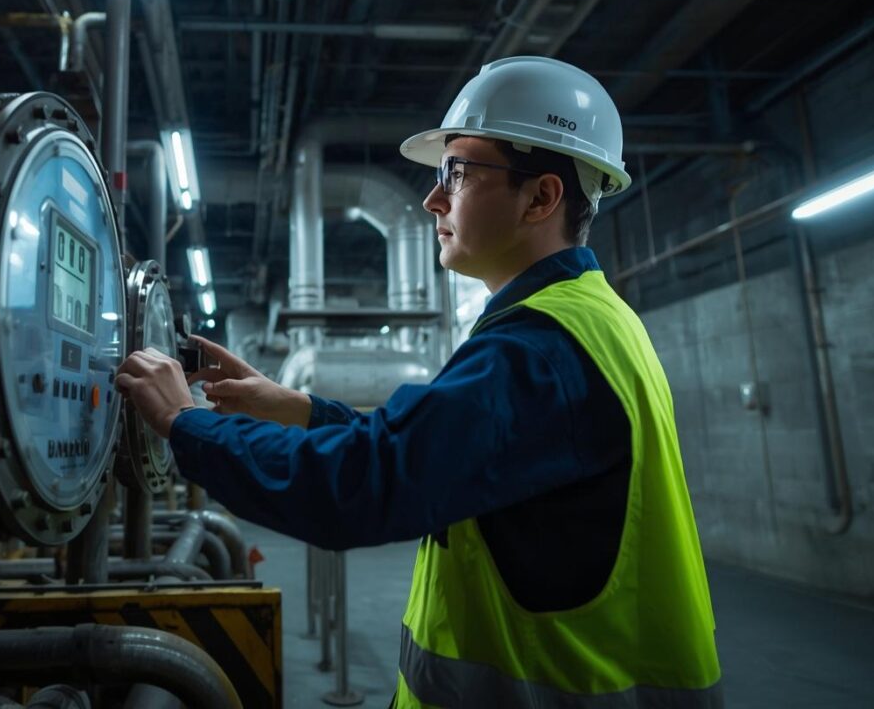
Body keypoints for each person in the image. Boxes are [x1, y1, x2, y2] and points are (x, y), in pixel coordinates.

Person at [115, 57, 722, 708]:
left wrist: (185, 423)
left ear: (541, 198)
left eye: (457, 173)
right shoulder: (587, 320)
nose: (433, 199)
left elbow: (365, 484)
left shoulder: (541, 348)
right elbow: (433, 451)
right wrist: (297, 407)